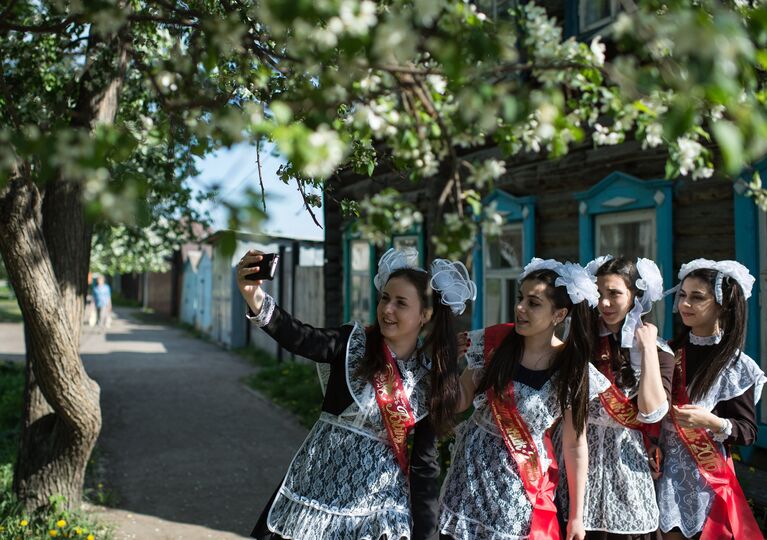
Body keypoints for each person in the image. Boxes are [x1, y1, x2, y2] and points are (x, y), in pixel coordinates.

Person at [238, 247, 476, 540]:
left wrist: (425, 534)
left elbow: (424, 465)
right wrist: (254, 297)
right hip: (318, 490)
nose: (387, 309)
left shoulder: (428, 379)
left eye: (401, 303)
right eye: (385, 298)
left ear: (424, 315)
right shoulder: (352, 344)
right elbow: (300, 336)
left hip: (380, 506)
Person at [439, 258, 610, 540]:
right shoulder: (494, 343)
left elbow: (575, 444)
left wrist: (577, 517)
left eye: (533, 303)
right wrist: (445, 370)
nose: (520, 308)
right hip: (469, 475)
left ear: (559, 314)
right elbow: (461, 402)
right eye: (521, 299)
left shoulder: (573, 368)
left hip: (519, 481)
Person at [555, 256, 674, 539]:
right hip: (577, 453)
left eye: (615, 293)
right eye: (599, 294)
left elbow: (651, 411)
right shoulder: (581, 341)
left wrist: (645, 350)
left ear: (636, 296)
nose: (605, 303)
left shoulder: (657, 351)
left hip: (626, 464)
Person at [657, 259, 766, 540]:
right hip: (661, 472)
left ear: (722, 304)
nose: (685, 304)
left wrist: (712, 421)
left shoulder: (737, 366)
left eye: (697, 297)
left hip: (706, 479)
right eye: (682, 295)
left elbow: (748, 431)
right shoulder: (666, 352)